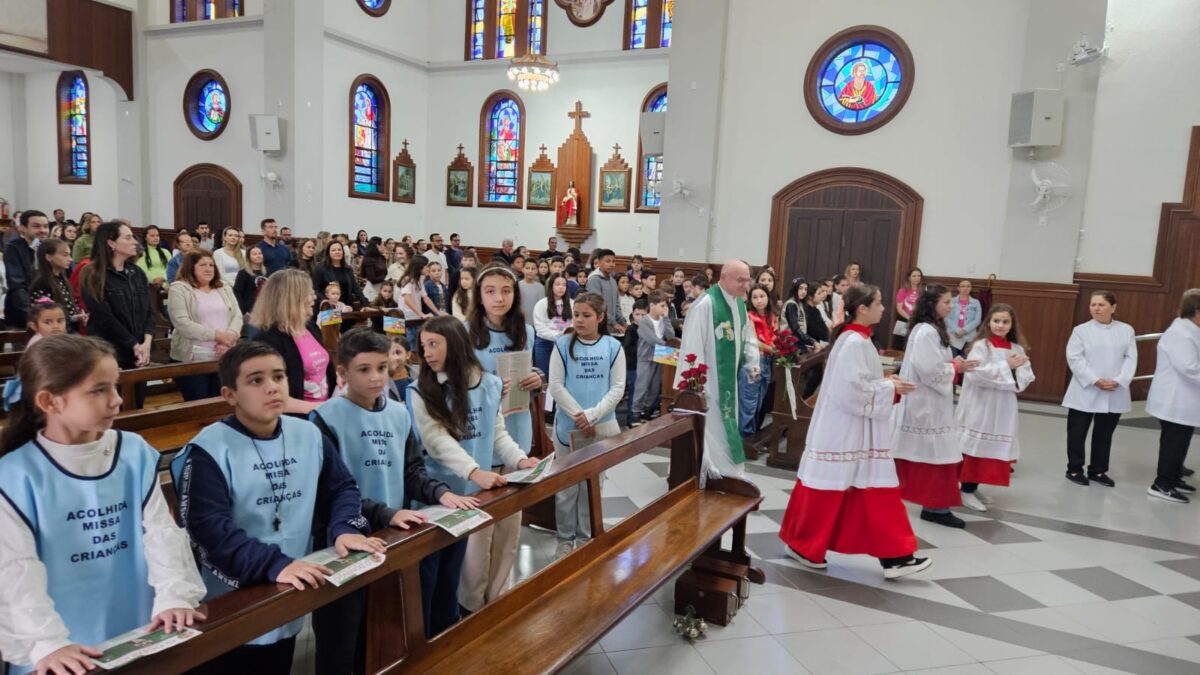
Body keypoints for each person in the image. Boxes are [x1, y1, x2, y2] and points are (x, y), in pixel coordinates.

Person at [171, 341, 385, 674]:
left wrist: (343, 527)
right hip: (231, 603)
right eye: (256, 380)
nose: (272, 387)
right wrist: (274, 564)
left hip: (288, 588)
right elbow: (208, 529)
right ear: (230, 394)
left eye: (279, 376)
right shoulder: (208, 449)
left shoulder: (308, 434)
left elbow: (341, 488)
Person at [0, 336, 207, 675]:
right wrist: (47, 642)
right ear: (50, 401)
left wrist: (173, 596)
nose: (117, 400)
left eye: (115, 387)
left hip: (141, 622)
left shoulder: (133, 451)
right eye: (98, 390)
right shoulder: (15, 475)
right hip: (60, 646)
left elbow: (159, 531)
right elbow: (12, 568)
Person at [308, 329, 477, 674]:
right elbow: (329, 493)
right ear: (342, 374)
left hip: (390, 538)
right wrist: (385, 511)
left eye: (382, 368)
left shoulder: (399, 413)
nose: (375, 378)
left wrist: (440, 492)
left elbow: (412, 471)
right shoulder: (323, 419)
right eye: (364, 369)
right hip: (342, 545)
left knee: (384, 633)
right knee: (341, 642)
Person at [777, 285, 930, 580]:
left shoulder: (855, 339)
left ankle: (894, 557)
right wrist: (890, 387)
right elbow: (852, 392)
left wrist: (886, 380)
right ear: (862, 308)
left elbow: (858, 382)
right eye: (879, 303)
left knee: (861, 492)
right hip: (847, 429)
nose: (884, 309)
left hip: (854, 429)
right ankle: (807, 546)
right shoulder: (854, 342)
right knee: (841, 490)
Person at [407, 317, 538, 631]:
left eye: (434, 343)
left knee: (453, 574)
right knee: (428, 577)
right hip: (435, 500)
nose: (427, 352)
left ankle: (450, 636)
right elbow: (436, 441)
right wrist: (474, 471)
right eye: (423, 345)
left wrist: (520, 461)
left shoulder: (490, 384)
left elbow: (496, 434)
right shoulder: (420, 389)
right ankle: (424, 643)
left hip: (471, 499)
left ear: (455, 343)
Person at [463, 264, 542, 612]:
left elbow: (532, 372)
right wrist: (488, 387)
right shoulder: (464, 333)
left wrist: (536, 379)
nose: (498, 297)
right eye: (490, 291)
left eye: (506, 291)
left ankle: (498, 599)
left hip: (517, 431)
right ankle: (469, 604)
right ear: (479, 296)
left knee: (510, 525)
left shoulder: (525, 331)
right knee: (479, 531)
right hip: (480, 437)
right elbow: (454, 389)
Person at [890, 284, 979, 529]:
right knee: (936, 458)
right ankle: (935, 507)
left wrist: (952, 363)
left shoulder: (932, 329)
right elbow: (928, 370)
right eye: (947, 302)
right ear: (933, 305)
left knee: (938, 456)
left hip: (931, 402)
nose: (951, 306)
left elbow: (935, 363)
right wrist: (955, 368)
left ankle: (936, 506)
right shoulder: (926, 332)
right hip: (924, 405)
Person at [549, 292, 625, 555]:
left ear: (601, 317)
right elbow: (556, 385)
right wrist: (579, 415)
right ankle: (564, 540)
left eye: (586, 315)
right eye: (576, 315)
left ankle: (585, 539)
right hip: (567, 427)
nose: (579, 320)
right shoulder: (561, 345)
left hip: (601, 426)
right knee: (567, 486)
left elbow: (617, 388)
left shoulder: (613, 347)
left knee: (593, 484)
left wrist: (592, 415)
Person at [674, 260, 760, 480]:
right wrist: (694, 383)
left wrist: (752, 362)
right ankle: (712, 472)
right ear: (723, 278)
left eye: (747, 280)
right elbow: (692, 343)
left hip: (729, 380)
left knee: (727, 423)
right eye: (740, 280)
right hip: (708, 380)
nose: (745, 285)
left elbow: (747, 335)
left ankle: (730, 470)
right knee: (713, 424)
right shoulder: (706, 304)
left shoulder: (739, 303)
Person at [956, 303, 1034, 511]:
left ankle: (974, 487)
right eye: (996, 321)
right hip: (981, 405)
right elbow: (976, 375)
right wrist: (1007, 367)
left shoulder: (1017, 349)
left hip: (1003, 407)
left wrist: (1017, 372)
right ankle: (966, 489)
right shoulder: (981, 346)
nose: (1000, 325)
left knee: (990, 449)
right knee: (975, 447)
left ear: (1012, 324)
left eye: (1005, 322)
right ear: (988, 322)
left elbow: (1026, 377)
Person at [1062, 290, 1136, 487]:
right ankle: (1074, 469)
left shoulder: (1126, 330)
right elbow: (1075, 358)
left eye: (1101, 305)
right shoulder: (1081, 330)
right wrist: (1095, 380)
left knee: (1105, 432)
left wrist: (1120, 380)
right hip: (1085, 388)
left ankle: (1098, 470)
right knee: (1077, 431)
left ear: (1113, 307)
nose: (1096, 308)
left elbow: (1131, 358)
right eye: (1093, 304)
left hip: (1114, 389)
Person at [80, 222, 156, 393]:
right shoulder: (93, 274)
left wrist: (146, 343)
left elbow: (149, 311)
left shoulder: (137, 273)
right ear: (111, 243)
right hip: (110, 350)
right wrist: (134, 344)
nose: (135, 242)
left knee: (137, 405)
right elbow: (104, 317)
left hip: (139, 351)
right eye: (128, 237)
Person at [250, 269, 335, 414]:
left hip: (325, 411)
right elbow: (269, 396)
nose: (314, 297)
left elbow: (322, 370)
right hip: (297, 420)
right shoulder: (267, 341)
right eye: (309, 292)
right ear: (293, 298)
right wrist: (319, 409)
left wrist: (339, 379)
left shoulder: (311, 328)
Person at [1145, 289, 1200, 503]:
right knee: (1173, 442)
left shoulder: (1191, 329)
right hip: (1174, 399)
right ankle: (1162, 484)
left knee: (1182, 439)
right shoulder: (1181, 333)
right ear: (1196, 311)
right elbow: (1189, 368)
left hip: (1184, 399)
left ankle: (1174, 477)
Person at [168, 249, 241, 399]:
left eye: (211, 265)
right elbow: (182, 323)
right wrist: (218, 336)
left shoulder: (224, 287)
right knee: (198, 405)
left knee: (221, 403)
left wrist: (230, 339)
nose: (208, 268)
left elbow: (237, 315)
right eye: (202, 265)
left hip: (223, 354)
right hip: (192, 357)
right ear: (191, 267)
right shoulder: (179, 288)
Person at [632, 291, 674, 426]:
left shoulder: (662, 319)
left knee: (655, 386)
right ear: (652, 305)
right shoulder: (645, 321)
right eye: (662, 306)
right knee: (642, 385)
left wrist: (666, 318)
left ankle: (647, 410)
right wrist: (669, 348)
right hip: (646, 356)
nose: (664, 308)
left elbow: (670, 335)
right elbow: (652, 339)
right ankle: (635, 413)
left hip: (660, 355)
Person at [739, 284, 776, 436]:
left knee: (759, 403)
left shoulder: (771, 316)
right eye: (755, 297)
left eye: (762, 296)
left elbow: (773, 337)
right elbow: (754, 342)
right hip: (752, 362)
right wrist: (775, 350)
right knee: (749, 402)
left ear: (768, 297)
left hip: (766, 361)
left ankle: (752, 435)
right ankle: (744, 436)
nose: (759, 300)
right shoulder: (749, 317)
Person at [30, 237, 87, 333]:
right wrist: (72, 318)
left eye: (70, 255)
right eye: (65, 255)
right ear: (48, 257)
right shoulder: (42, 283)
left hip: (69, 332)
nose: (70, 259)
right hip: (53, 336)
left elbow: (72, 306)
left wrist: (80, 316)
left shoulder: (63, 279)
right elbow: (44, 316)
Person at [4, 210, 48, 328]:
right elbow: (17, 284)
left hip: (49, 311)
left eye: (45, 226)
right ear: (23, 228)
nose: (43, 230)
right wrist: (30, 314)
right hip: (23, 313)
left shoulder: (48, 246)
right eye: (36, 226)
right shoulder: (14, 247)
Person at [532, 273, 571, 375]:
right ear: (551, 286)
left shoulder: (572, 303)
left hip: (566, 343)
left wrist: (567, 335)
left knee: (563, 374)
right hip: (545, 344)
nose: (561, 287)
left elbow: (574, 323)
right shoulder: (541, 304)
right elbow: (540, 328)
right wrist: (559, 336)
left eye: (564, 284)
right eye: (557, 284)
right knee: (545, 374)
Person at [311, 239, 366, 309]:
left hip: (346, 307)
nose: (337, 252)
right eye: (333, 250)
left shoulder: (348, 269)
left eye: (339, 250)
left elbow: (356, 288)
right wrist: (324, 301)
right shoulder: (321, 268)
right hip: (330, 308)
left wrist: (365, 303)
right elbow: (315, 289)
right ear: (328, 253)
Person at [399, 254, 436, 349]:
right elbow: (407, 300)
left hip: (414, 317)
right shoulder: (407, 279)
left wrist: (438, 313)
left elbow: (426, 298)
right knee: (411, 347)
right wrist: (421, 314)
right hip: (406, 318)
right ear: (419, 267)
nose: (428, 268)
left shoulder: (419, 280)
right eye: (426, 266)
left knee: (417, 346)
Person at [585, 249, 627, 334]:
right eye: (608, 261)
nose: (611, 264)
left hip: (612, 327)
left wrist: (623, 323)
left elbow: (617, 305)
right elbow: (597, 306)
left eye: (613, 261)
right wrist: (614, 323)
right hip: (599, 326)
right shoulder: (594, 280)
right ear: (599, 262)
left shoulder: (613, 280)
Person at [946, 279, 982, 358]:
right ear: (958, 288)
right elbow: (946, 318)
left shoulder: (976, 303)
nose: (965, 288)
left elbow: (977, 320)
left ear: (971, 288)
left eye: (968, 286)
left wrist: (965, 330)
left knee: (965, 361)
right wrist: (957, 330)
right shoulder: (951, 301)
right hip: (953, 335)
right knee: (951, 360)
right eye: (963, 286)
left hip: (968, 336)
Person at [780, 277, 818, 353]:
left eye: (806, 289)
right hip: (789, 344)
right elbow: (795, 329)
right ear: (795, 289)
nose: (803, 292)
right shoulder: (791, 304)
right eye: (800, 288)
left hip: (797, 342)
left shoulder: (800, 304)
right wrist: (812, 341)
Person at [893, 267, 923, 350]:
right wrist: (910, 318)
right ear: (909, 278)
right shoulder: (903, 290)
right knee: (903, 345)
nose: (917, 278)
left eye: (918, 276)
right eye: (914, 276)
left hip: (918, 322)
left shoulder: (923, 291)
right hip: (905, 321)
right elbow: (899, 308)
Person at [234, 245, 268, 316]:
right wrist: (243, 310)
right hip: (249, 309)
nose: (258, 256)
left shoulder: (266, 272)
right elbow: (237, 293)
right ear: (248, 257)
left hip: (264, 308)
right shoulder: (243, 273)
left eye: (260, 253)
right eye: (254, 254)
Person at [135, 225, 172, 291]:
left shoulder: (166, 252)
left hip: (168, 282)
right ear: (145, 238)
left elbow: (172, 269)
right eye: (152, 236)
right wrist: (157, 281)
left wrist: (164, 278)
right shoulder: (141, 253)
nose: (155, 238)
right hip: (152, 285)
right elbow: (142, 272)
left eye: (157, 235)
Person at [387, 336, 416, 402]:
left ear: (408, 355)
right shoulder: (382, 380)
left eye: (397, 352)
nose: (393, 357)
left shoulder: (418, 373)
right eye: (390, 353)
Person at [518, 258, 545, 324]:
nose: (530, 271)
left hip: (535, 321)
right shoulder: (517, 285)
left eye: (533, 269)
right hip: (520, 321)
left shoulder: (541, 287)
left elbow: (542, 306)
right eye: (527, 268)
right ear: (523, 269)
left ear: (537, 271)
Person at [361, 236, 389, 301]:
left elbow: (385, 272)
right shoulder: (368, 259)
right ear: (377, 246)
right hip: (372, 291)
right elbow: (372, 279)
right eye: (382, 244)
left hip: (381, 290)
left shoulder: (382, 257)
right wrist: (387, 278)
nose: (384, 247)